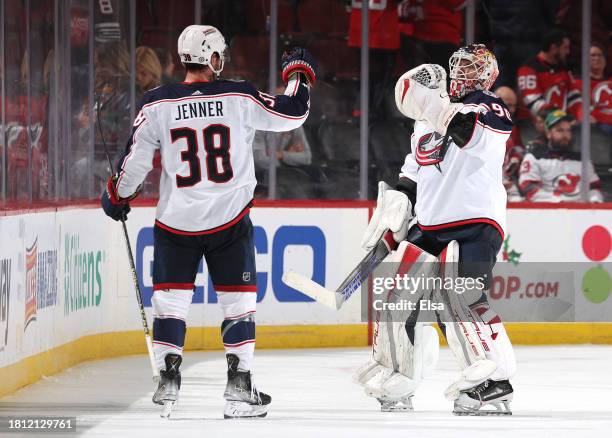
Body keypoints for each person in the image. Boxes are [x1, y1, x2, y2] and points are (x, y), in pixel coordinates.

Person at [100, 25, 316, 419]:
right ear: (213, 58)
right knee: (238, 306)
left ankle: (168, 382)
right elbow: (293, 114)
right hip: (229, 221)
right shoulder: (238, 95)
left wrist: (118, 196)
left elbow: (133, 167)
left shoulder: (156, 104)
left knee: (171, 304)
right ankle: (239, 389)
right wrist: (298, 75)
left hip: (175, 224)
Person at [357, 45, 516, 415]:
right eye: (458, 66)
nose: (463, 74)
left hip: (476, 222)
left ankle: (495, 383)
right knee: (398, 298)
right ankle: (401, 378)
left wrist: (433, 107)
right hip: (429, 224)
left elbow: (469, 136)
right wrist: (399, 202)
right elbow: (416, 167)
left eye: (472, 68)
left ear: (488, 75)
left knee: (460, 299)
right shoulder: (426, 119)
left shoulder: (489, 106)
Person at [519, 109, 603, 203]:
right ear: (548, 134)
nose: (565, 135)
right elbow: (528, 187)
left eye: (568, 130)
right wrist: (558, 203)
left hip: (580, 213)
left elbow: (594, 187)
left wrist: (595, 201)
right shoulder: (534, 157)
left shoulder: (582, 160)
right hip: (547, 212)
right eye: (560, 130)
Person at [517, 29, 582, 121]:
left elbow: (574, 96)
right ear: (553, 48)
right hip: (533, 126)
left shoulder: (564, 68)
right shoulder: (528, 69)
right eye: (565, 47)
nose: (568, 52)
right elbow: (533, 102)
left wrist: (580, 116)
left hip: (562, 125)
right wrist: (558, 118)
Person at [572, 43, 612, 135]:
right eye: (593, 55)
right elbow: (577, 107)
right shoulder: (577, 83)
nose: (597, 58)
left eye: (600, 55)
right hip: (600, 125)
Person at [494, 86, 525, 201]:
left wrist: (516, 158)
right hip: (485, 184)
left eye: (513, 106)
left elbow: (517, 149)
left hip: (506, 182)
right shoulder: (481, 124)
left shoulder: (511, 127)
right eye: (508, 105)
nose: (511, 110)